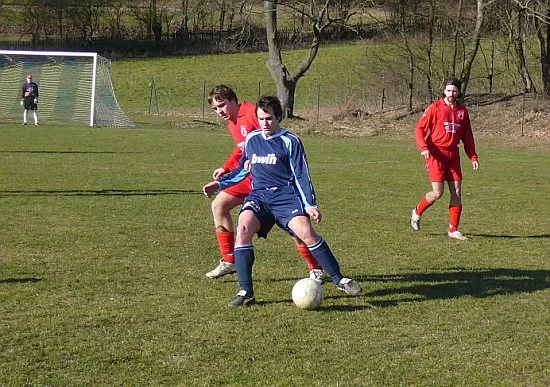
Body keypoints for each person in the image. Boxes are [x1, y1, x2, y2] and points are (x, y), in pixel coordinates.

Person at [203, 95, 362, 307]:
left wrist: (310, 205)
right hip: (259, 196)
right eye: (260, 119)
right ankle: (246, 292)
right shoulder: (252, 139)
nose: (264, 123)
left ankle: (340, 279)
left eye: (268, 118)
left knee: (306, 233)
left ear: (278, 117)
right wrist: (220, 185)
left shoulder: (290, 141)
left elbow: (301, 175)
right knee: (242, 230)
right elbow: (243, 169)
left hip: (285, 196)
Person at [205, 85, 324, 281]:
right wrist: (226, 168)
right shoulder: (232, 123)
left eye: (222, 105)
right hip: (248, 178)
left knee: (296, 229)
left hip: (269, 180)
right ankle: (229, 261)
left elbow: (272, 133)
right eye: (215, 109)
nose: (220, 111)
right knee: (219, 205)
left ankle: (315, 267)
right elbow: (241, 150)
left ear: (234, 101)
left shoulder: (252, 113)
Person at [410, 77, 480, 240]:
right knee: (437, 193)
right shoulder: (434, 108)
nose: (451, 93)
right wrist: (423, 148)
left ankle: (453, 229)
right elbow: (419, 129)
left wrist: (473, 157)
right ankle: (417, 211)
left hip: (453, 155)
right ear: (444, 91)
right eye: (448, 90)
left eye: (454, 91)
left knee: (456, 192)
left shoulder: (462, 112)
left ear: (459, 92)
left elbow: (467, 137)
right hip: (435, 154)